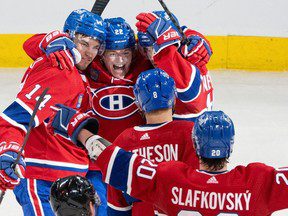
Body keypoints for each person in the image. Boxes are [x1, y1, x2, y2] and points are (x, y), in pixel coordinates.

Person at [23, 12, 213, 215]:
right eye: (112, 53)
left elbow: (173, 47)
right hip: (98, 165)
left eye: (125, 53)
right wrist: (49, 41)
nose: (120, 60)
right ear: (102, 53)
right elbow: (30, 46)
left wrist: (192, 36)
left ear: (135, 50)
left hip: (137, 163)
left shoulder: (145, 64)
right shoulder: (90, 65)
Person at [52, 109, 288, 215]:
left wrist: (80, 130)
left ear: (195, 145)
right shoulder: (258, 183)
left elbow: (115, 158)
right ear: (231, 145)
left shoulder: (170, 179)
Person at [0, 9, 105, 215]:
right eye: (84, 44)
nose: (90, 53)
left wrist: (46, 40)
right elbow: (14, 120)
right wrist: (9, 150)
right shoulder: (61, 72)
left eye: (95, 47)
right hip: (43, 180)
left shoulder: (74, 70)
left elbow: (30, 45)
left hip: (67, 181)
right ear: (68, 38)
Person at [107, 68, 200, 215]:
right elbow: (198, 189)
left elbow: (117, 204)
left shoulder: (124, 140)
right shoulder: (191, 132)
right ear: (174, 97)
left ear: (139, 102)